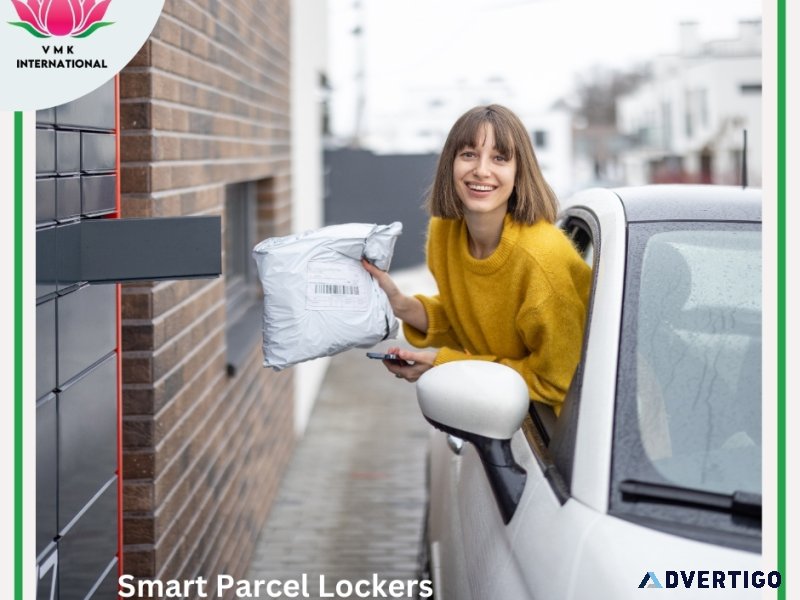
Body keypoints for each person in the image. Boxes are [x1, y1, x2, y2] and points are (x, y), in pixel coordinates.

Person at [362, 104, 591, 415]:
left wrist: (443, 364)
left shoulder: (540, 259)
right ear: (450, 164)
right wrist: (402, 306)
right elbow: (472, 323)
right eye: (469, 154)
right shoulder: (445, 232)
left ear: (519, 171)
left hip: (577, 432)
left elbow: (557, 381)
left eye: (499, 158)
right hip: (502, 410)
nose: (482, 170)